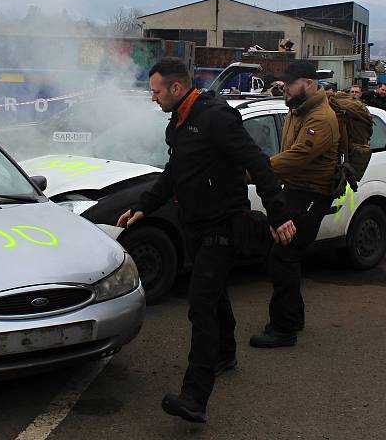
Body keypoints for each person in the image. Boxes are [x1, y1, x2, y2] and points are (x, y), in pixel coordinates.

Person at [116, 57, 296, 424]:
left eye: (156, 91)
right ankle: (225, 352)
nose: (153, 98)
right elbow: (175, 172)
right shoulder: (181, 122)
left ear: (177, 88)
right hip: (195, 225)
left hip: (222, 225)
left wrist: (279, 214)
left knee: (200, 303)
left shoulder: (216, 118)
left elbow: (258, 163)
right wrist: (144, 207)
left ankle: (194, 396)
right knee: (213, 295)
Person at [250, 60, 339, 349]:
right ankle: (293, 317)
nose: (284, 87)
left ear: (309, 84)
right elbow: (286, 152)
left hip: (313, 194)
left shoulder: (321, 118)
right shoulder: (296, 110)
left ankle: (283, 329)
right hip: (296, 190)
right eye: (283, 83)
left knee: (283, 256)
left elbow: (298, 156)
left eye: (289, 83)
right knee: (282, 254)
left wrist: (255, 170)